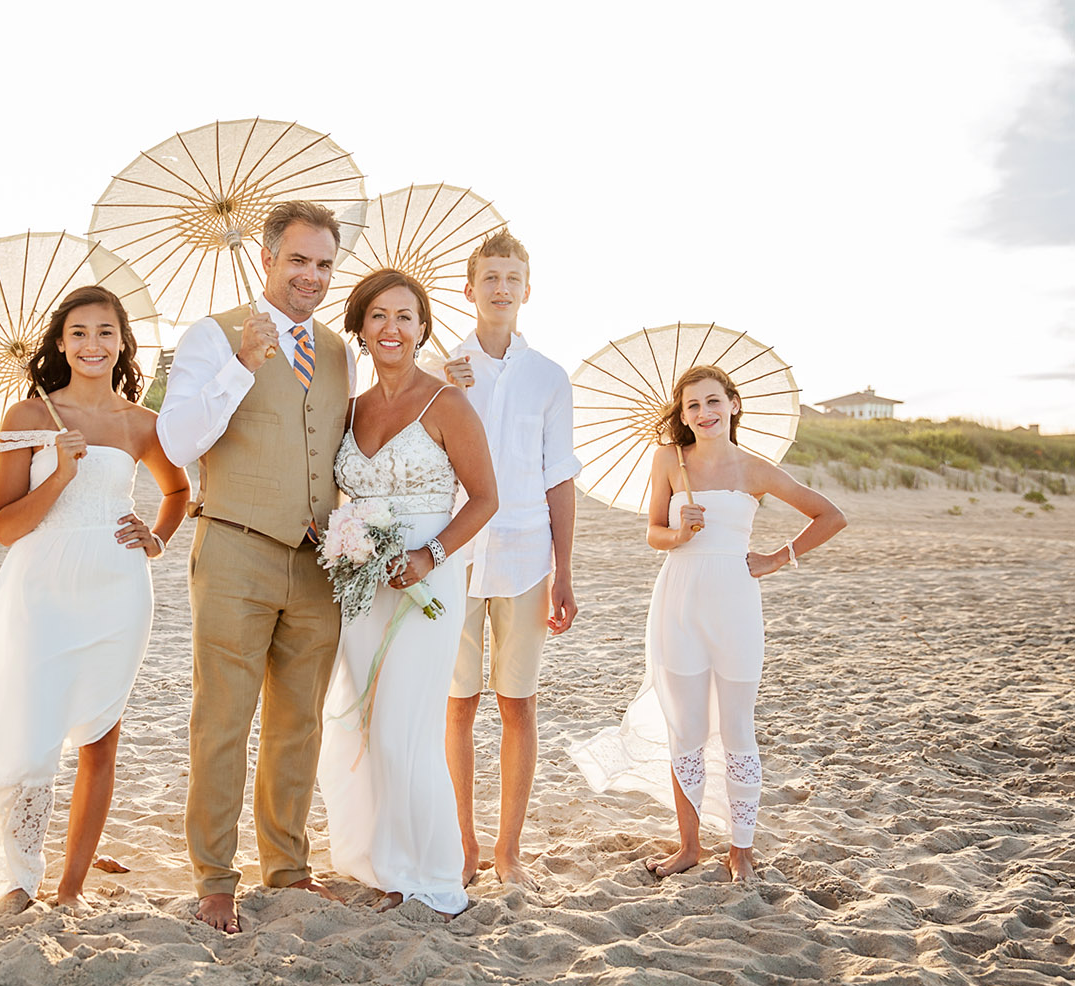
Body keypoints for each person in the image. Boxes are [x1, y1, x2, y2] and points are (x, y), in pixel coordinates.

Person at [0, 286, 188, 915]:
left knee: (101, 739)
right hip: (41, 587)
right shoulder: (28, 417)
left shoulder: (140, 423)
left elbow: (179, 493)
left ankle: (68, 891)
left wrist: (156, 538)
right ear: (61, 343)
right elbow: (5, 527)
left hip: (117, 590)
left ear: (123, 342)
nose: (92, 344)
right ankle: (19, 881)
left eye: (105, 332)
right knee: (32, 731)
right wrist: (62, 473)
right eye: (79, 333)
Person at [157, 201, 358, 934]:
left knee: (296, 723)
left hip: (317, 562)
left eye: (324, 264)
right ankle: (214, 878)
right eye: (298, 260)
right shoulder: (210, 336)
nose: (311, 275)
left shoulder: (341, 351)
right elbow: (177, 441)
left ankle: (288, 867)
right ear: (268, 259)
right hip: (235, 546)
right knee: (221, 720)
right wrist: (242, 366)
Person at [567, 365, 846, 882]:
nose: (704, 413)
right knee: (687, 729)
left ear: (734, 405)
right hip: (679, 601)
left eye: (714, 402)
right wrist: (678, 534)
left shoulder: (755, 469)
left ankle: (741, 849)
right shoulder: (669, 461)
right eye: (693, 406)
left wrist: (777, 557)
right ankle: (689, 845)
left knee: (738, 729)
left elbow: (830, 515)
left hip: (736, 604)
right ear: (683, 414)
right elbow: (652, 532)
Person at [318, 269, 497, 915]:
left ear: (422, 328)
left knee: (404, 728)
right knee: (360, 721)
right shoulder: (349, 409)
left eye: (405, 316)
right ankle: (376, 862)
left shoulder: (446, 402)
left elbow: (484, 498)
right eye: (378, 316)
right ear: (359, 328)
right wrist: (341, 540)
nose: (391, 328)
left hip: (429, 580)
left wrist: (430, 554)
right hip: (361, 581)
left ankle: (427, 869)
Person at [441, 230, 581, 889]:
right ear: (469, 290)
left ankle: (508, 853)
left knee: (516, 703)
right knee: (457, 704)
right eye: (488, 277)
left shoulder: (548, 377)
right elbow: (420, 464)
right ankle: (463, 846)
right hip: (454, 556)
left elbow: (558, 476)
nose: (500, 287)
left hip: (526, 557)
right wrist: (444, 391)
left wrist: (564, 571)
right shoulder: (440, 368)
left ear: (527, 290)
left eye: (511, 277)